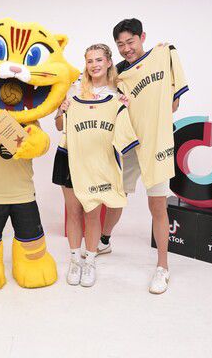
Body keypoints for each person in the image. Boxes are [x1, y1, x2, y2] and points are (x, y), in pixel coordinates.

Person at [103, 18, 189, 294]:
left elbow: (174, 103)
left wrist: (153, 110)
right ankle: (104, 240)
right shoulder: (117, 74)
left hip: (156, 145)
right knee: (117, 196)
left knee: (158, 206)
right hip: (129, 143)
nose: (126, 49)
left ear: (142, 37)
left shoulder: (164, 55)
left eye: (130, 41)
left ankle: (162, 267)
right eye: (120, 45)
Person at [53, 44, 135, 287]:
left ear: (109, 62)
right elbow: (59, 126)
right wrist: (62, 110)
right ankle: (74, 260)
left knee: (92, 214)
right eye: (90, 61)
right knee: (73, 211)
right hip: (69, 156)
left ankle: (89, 261)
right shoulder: (74, 88)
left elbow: (125, 128)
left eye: (99, 60)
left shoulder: (117, 93)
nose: (94, 65)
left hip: (99, 161)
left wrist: (125, 107)